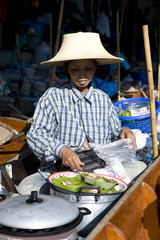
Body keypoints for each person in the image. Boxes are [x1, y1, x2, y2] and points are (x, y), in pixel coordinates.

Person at [26, 32, 136, 174]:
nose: (82, 74)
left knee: (138, 169)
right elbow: (35, 135)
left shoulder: (102, 99)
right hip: (62, 171)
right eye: (75, 69)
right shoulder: (53, 96)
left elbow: (114, 134)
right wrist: (61, 150)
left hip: (101, 168)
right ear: (66, 69)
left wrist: (124, 131)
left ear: (96, 67)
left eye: (88, 69)